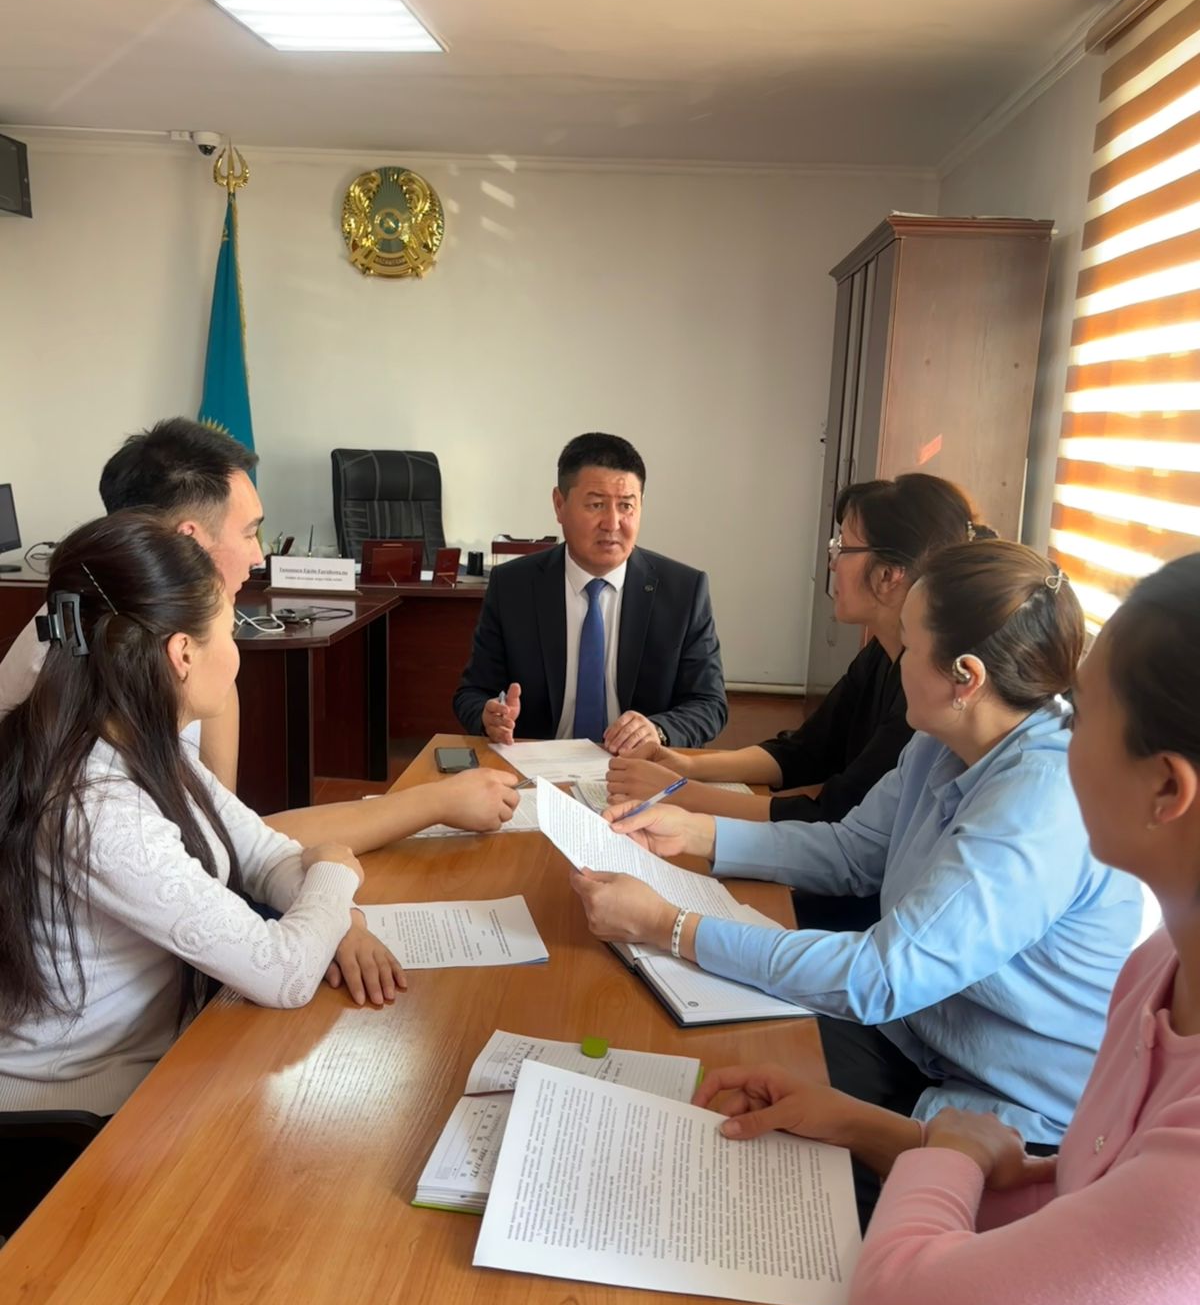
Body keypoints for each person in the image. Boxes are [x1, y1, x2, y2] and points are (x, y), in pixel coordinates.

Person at [691, 552, 1200, 1305]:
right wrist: (873, 1128)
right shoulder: (1159, 970)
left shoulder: (1035, 793)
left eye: (1084, 713)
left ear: (1166, 789)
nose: (1055, 728)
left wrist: (945, 1148)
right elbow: (1074, 1193)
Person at [571, 541, 1144, 1206]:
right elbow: (851, 851)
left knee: (738, 1165)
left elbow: (880, 977)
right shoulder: (943, 740)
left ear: (965, 677)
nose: (895, 659)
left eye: (909, 643)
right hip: (917, 1042)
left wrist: (669, 925)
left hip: (1009, 1123)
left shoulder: (1039, 804)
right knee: (716, 1076)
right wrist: (697, 832)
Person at [0, 511, 403, 1125]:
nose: (236, 653)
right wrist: (336, 874)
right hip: (75, 1112)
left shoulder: (138, 744)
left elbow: (263, 853)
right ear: (182, 654)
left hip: (154, 1058)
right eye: (230, 631)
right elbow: (284, 973)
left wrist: (337, 920)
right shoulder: (98, 809)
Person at [0, 418, 521, 843]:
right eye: (250, 533)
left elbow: (230, 836)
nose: (258, 555)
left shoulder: (166, 639)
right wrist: (428, 805)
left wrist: (428, 805)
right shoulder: (83, 671)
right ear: (188, 542)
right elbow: (219, 855)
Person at [605, 473, 985, 828]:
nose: (832, 564)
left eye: (842, 547)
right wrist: (685, 766)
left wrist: (678, 793)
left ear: (888, 575)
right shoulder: (880, 655)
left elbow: (835, 816)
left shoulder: (925, 686)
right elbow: (806, 751)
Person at [453, 431, 727, 753]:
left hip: (638, 766)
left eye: (626, 506)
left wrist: (659, 730)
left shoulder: (683, 591)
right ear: (559, 505)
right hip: (537, 763)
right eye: (596, 504)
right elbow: (472, 693)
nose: (612, 523)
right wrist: (488, 716)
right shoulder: (513, 586)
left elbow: (709, 703)